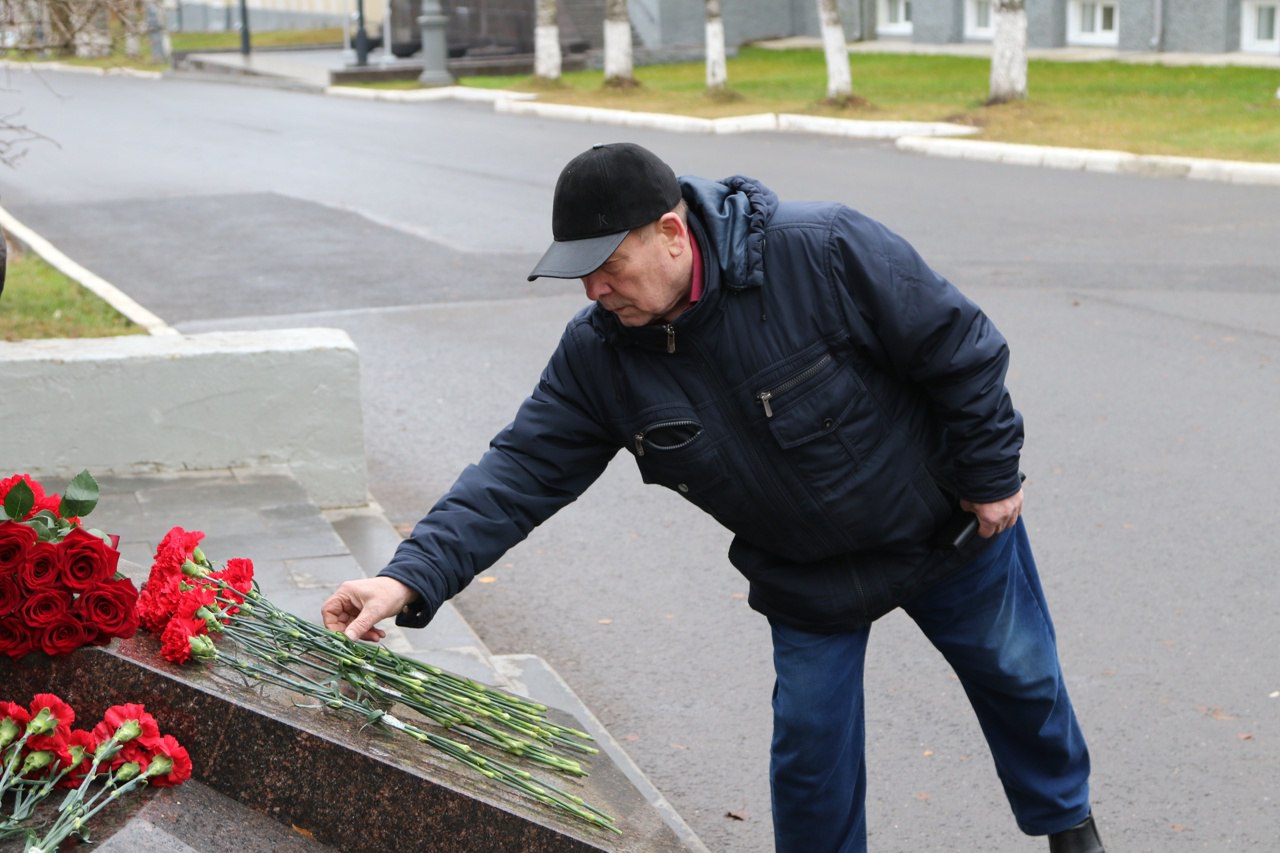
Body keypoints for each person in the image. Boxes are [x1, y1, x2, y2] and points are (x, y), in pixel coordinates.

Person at [321, 142, 1105, 853]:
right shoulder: (599, 356)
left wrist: (991, 474)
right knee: (810, 755)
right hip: (810, 575)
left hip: (944, 530)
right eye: (581, 273)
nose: (594, 289)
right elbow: (518, 472)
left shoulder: (822, 249)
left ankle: (1070, 828)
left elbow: (959, 347)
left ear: (672, 232)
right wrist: (405, 577)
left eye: (609, 265)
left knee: (1022, 681)